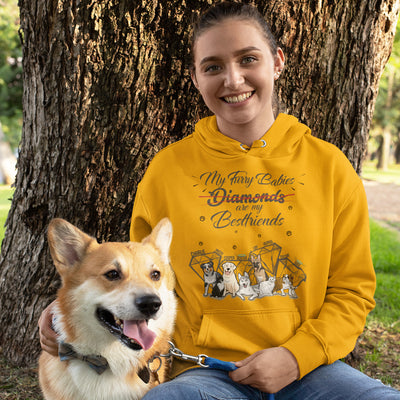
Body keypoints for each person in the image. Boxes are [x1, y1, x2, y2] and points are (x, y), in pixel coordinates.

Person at [39, 2, 400, 399]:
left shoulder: (330, 167)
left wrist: (296, 357)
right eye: (212, 66)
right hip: (205, 374)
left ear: (277, 62)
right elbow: (137, 282)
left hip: (313, 371)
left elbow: (352, 292)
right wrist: (67, 315)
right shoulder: (168, 170)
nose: (233, 79)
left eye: (248, 59)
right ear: (196, 77)